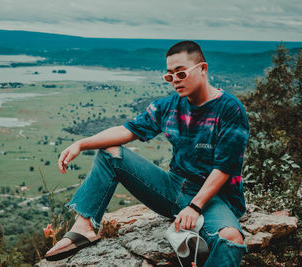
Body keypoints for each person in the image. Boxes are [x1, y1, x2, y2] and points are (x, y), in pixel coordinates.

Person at [45, 40, 249, 266]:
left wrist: (194, 206)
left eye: (181, 73)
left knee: (230, 238)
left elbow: (225, 168)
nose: (175, 81)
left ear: (203, 68)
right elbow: (127, 130)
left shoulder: (230, 109)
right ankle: (84, 227)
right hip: (173, 188)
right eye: (169, 76)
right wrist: (82, 144)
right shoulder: (169, 106)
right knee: (110, 153)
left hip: (213, 198)